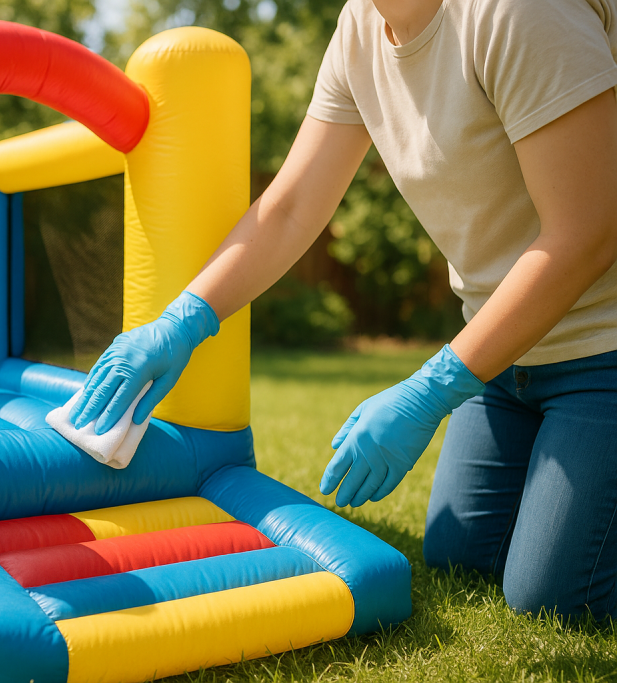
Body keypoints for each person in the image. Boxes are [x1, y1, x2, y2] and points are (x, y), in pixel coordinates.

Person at [68, 0, 617, 619]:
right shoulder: (361, 26)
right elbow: (292, 206)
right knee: (463, 559)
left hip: (606, 347)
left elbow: (588, 232)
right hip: (506, 360)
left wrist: (432, 390)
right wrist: (183, 319)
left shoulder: (517, 12)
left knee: (557, 599)